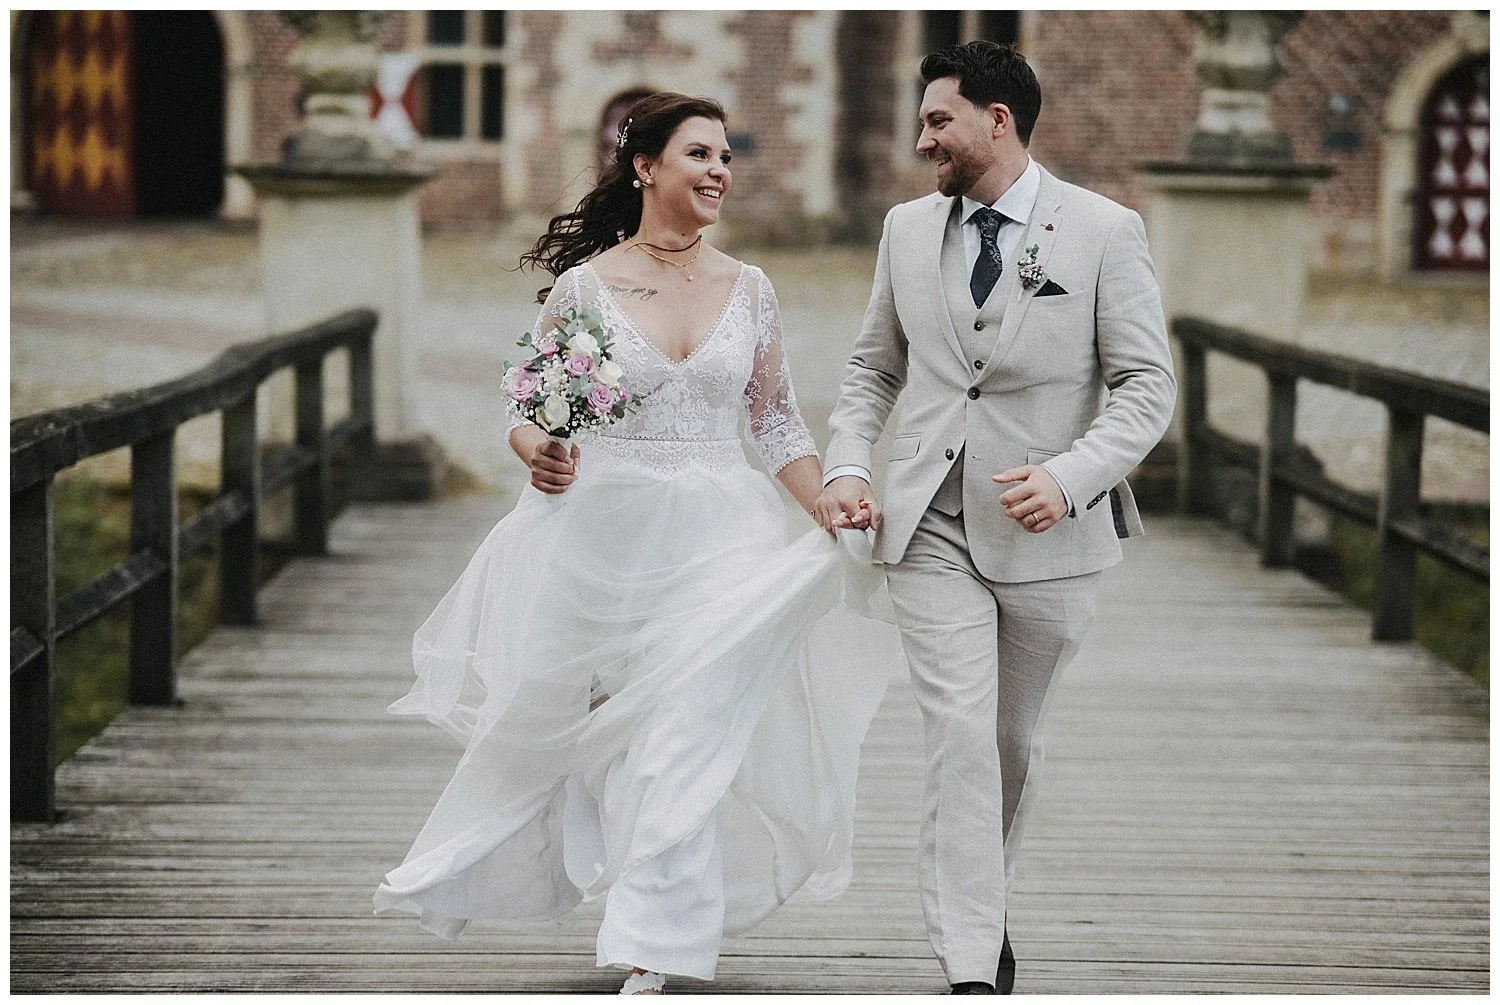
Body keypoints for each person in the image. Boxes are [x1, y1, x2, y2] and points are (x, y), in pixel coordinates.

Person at [374, 92, 895, 995]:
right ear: (644, 166)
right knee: (602, 735)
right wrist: (540, 452)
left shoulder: (752, 288)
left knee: (684, 732)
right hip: (605, 539)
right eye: (699, 154)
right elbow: (532, 416)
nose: (719, 171)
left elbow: (775, 424)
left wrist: (828, 506)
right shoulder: (587, 290)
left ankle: (656, 944)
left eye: (727, 157)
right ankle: (565, 876)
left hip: (720, 535)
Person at [813, 42, 1176, 994]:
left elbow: (1146, 386)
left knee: (1013, 744)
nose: (921, 137)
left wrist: (1073, 475)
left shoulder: (1105, 232)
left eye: (938, 120)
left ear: (997, 121)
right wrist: (850, 463)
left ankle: (987, 894)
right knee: (961, 736)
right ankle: (971, 961)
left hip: (1052, 532)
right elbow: (871, 371)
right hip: (926, 520)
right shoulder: (903, 230)